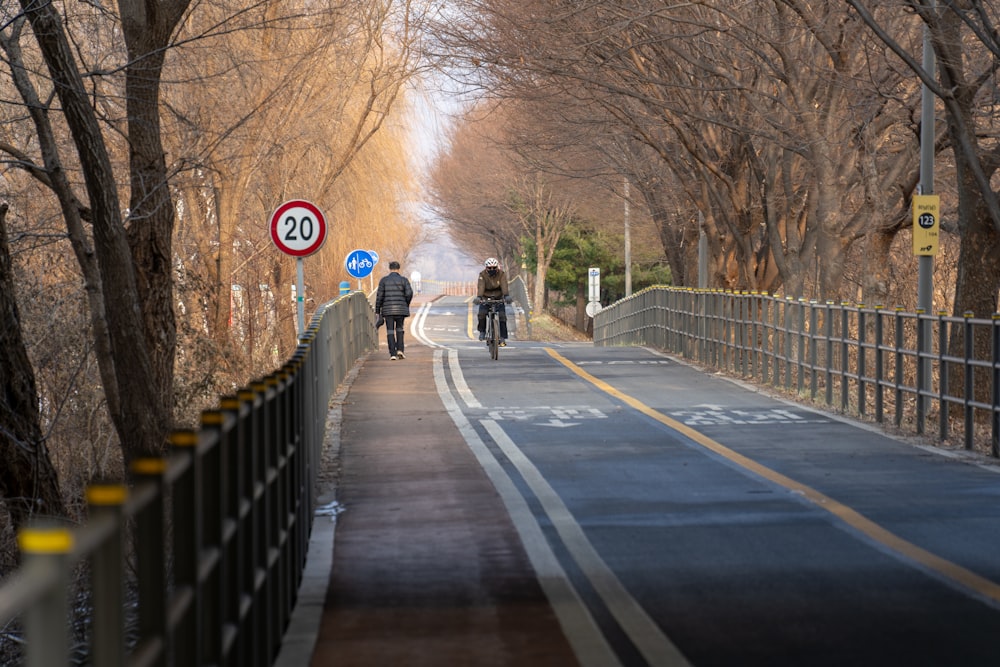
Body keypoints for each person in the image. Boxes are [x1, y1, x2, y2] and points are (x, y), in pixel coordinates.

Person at [375, 260, 413, 360]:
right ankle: (400, 350)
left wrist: (377, 311)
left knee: (390, 331)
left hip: (387, 311)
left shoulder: (384, 280)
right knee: (400, 329)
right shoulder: (404, 280)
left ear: (390, 269)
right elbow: (409, 293)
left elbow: (379, 296)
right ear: (398, 269)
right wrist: (405, 304)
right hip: (401, 310)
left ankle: (392, 354)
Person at [474, 257, 512, 346]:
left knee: (502, 316)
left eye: (494, 268)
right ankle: (482, 331)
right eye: (489, 268)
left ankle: (503, 338)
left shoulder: (501, 274)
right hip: (485, 297)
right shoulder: (482, 275)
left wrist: (506, 295)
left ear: (497, 267)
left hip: (498, 297)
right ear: (486, 268)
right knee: (482, 314)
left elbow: (504, 285)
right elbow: (481, 286)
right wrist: (479, 297)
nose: (492, 270)